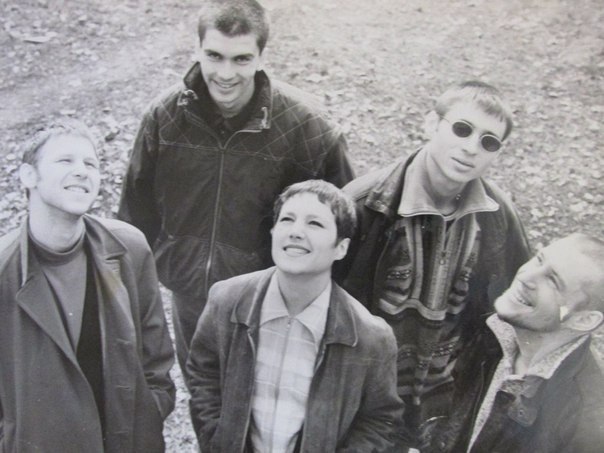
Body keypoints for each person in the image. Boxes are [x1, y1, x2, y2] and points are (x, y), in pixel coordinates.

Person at [117, 0, 354, 380]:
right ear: (197, 50)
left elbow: (345, 227)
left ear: (261, 57)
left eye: (241, 59)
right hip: (192, 296)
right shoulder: (164, 117)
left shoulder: (309, 127)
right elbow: (134, 215)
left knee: (266, 403)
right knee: (204, 393)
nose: (225, 74)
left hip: (275, 301)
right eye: (214, 56)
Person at [335, 80, 531, 447]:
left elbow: (518, 299)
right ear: (430, 124)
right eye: (462, 129)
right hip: (366, 395)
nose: (471, 148)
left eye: (489, 141)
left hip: (448, 395)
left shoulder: (498, 216)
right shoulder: (363, 204)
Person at [187, 180, 403, 452]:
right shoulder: (226, 300)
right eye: (287, 219)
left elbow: (380, 419)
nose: (296, 232)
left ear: (341, 248)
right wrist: (217, 440)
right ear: (273, 231)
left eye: (315, 223)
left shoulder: (370, 337)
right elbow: (203, 375)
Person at [0, 121, 175, 452]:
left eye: (91, 163)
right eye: (65, 160)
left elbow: (156, 355)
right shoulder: (4, 271)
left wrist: (150, 412)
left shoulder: (128, 248)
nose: (82, 171)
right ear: (28, 176)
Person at [426, 233, 604, 452]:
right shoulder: (492, 332)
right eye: (539, 259)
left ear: (584, 320)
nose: (526, 277)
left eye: (553, 281)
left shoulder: (587, 424)